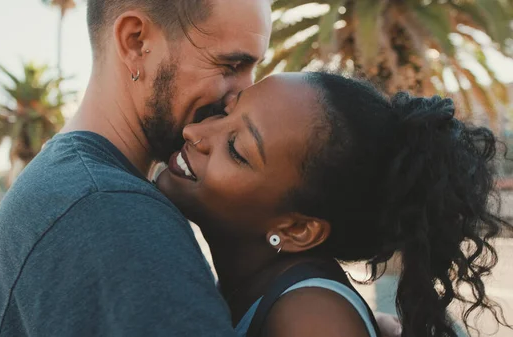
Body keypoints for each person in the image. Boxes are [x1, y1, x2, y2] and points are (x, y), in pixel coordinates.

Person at [0, 0, 271, 335]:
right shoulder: (112, 212)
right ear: (136, 42)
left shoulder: (68, 186)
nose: (243, 96)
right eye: (230, 66)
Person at [155, 72, 513, 337]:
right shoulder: (264, 292)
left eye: (237, 150)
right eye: (225, 112)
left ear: (297, 230)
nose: (195, 133)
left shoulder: (310, 320)